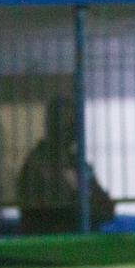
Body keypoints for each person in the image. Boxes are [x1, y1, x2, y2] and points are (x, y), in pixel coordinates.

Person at [17, 95, 115, 234]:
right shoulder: (37, 164)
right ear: (51, 125)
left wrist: (84, 205)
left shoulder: (78, 164)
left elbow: (107, 209)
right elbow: (56, 212)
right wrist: (84, 203)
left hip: (83, 247)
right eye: (67, 123)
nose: (73, 130)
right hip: (49, 250)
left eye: (74, 123)